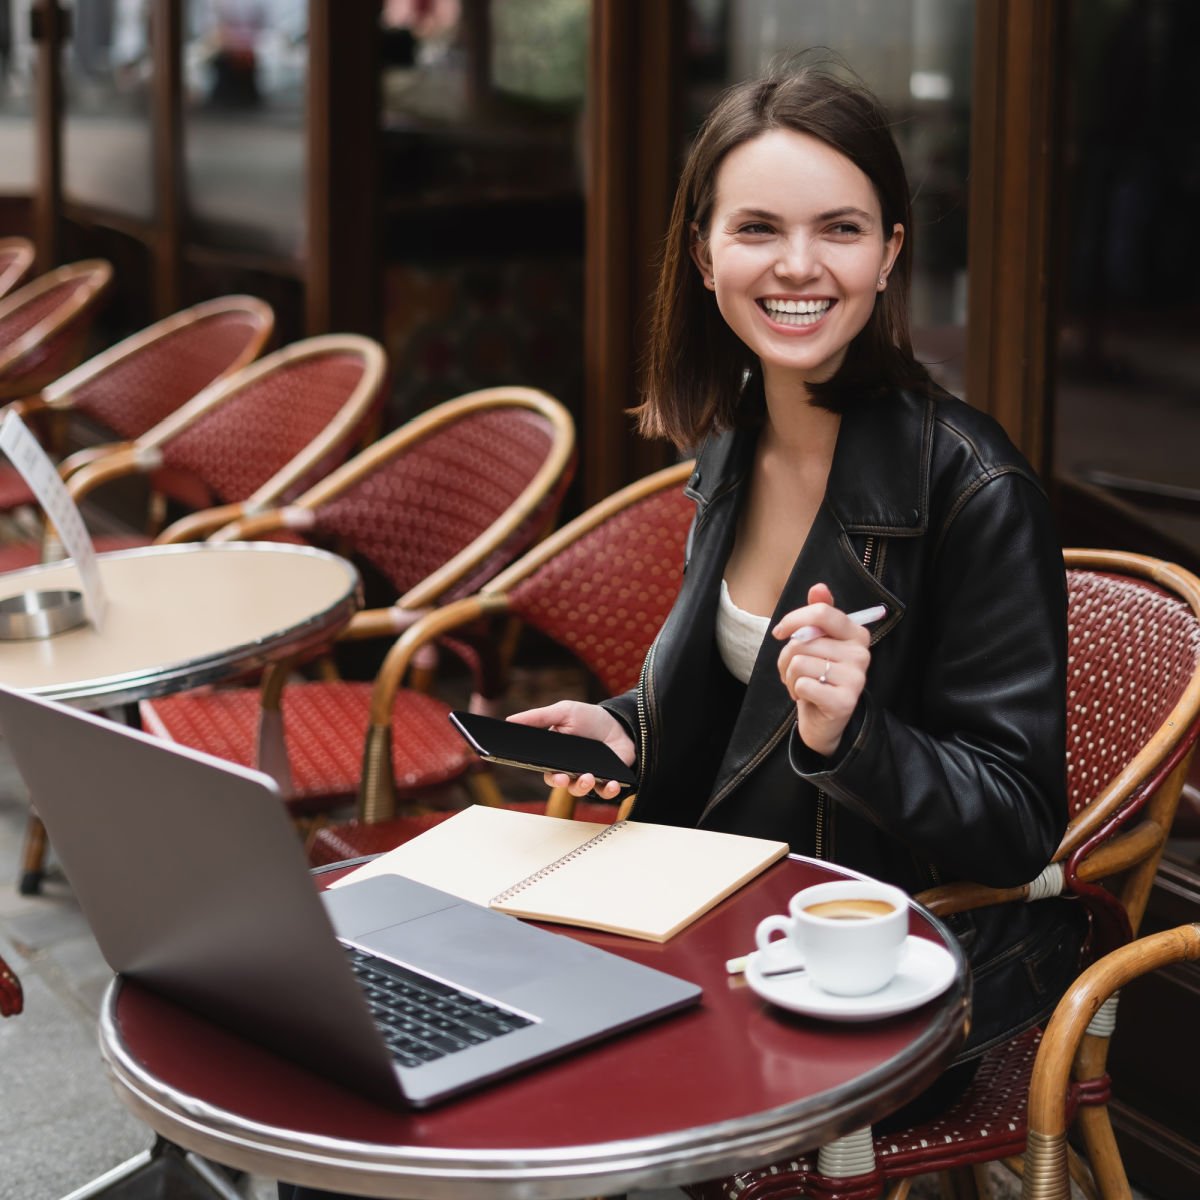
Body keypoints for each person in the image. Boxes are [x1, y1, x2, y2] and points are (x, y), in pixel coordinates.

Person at [510, 56, 1087, 1100]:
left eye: (841, 229)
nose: (798, 266)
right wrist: (625, 733)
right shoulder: (733, 445)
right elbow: (735, 719)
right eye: (758, 228)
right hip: (707, 918)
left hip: (859, 973)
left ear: (888, 255)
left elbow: (1015, 823)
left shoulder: (975, 486)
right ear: (702, 255)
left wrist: (852, 736)